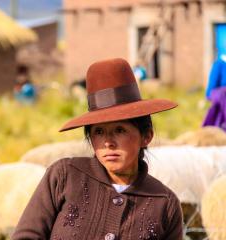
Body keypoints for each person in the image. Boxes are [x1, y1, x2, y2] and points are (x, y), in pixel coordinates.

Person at [12, 58, 183, 240]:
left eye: (120, 130)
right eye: (99, 131)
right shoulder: (64, 177)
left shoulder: (165, 204)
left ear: (146, 136)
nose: (108, 142)